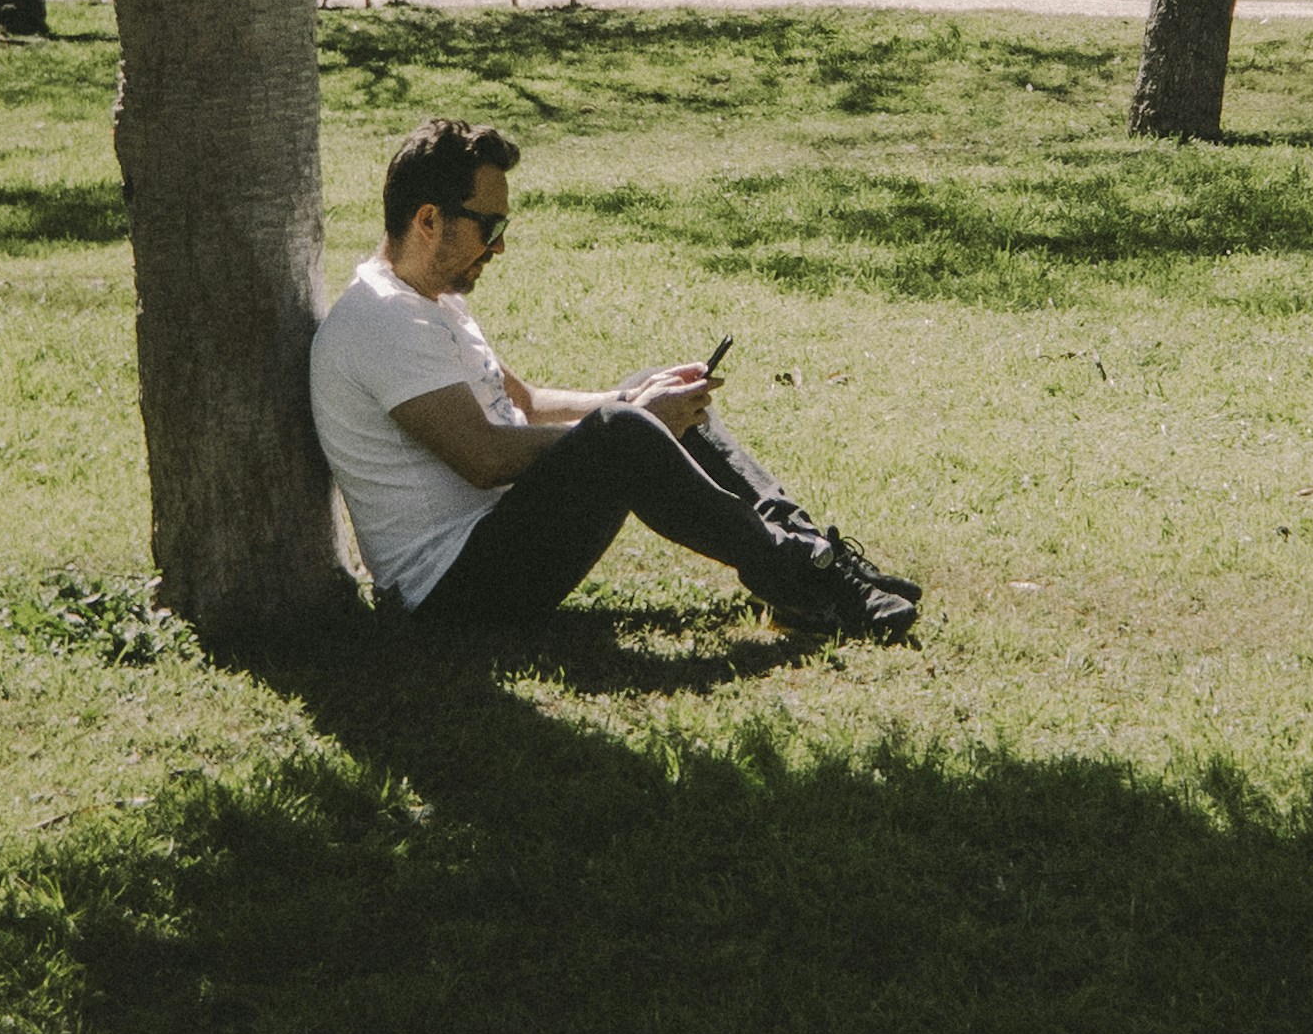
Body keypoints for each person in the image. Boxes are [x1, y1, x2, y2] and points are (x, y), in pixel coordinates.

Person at [308, 115, 921, 642]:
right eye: (489, 228)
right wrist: (635, 420)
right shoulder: (382, 321)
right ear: (428, 220)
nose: (499, 248)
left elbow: (523, 402)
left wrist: (633, 399)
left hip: (494, 541)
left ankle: (818, 559)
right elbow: (485, 458)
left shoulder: (432, 299)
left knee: (651, 394)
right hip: (452, 594)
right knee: (626, 429)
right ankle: (806, 576)